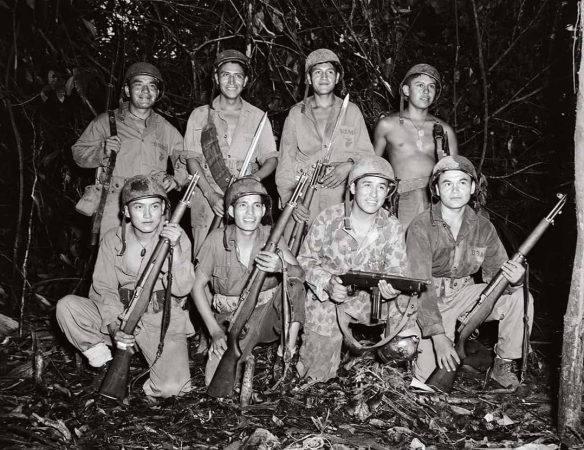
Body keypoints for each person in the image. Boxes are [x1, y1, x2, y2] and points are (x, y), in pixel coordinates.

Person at [56, 175, 195, 398]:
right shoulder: (113, 239)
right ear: (127, 212)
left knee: (173, 389)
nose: (148, 215)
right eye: (139, 207)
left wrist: (176, 250)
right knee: (67, 307)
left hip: (160, 317)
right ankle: (106, 364)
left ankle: (149, 372)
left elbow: (182, 289)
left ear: (163, 210)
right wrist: (114, 328)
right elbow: (104, 288)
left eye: (154, 206)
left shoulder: (177, 237)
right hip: (122, 313)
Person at [406, 156, 533, 390]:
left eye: (462, 183)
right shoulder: (420, 226)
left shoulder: (483, 226)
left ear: (473, 188)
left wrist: (516, 281)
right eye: (447, 183)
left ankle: (502, 365)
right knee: (424, 384)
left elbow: (499, 275)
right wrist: (438, 337)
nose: (455, 190)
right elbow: (420, 286)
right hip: (428, 302)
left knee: (519, 298)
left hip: (465, 295)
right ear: (435, 189)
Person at [296, 155, 417, 382]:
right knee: (315, 379)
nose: (373, 194)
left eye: (381, 187)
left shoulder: (391, 226)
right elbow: (304, 261)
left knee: (406, 308)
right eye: (367, 185)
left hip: (371, 303)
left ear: (388, 192)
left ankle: (393, 371)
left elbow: (398, 271)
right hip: (331, 303)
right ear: (352, 187)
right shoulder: (328, 218)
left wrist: (393, 290)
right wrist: (327, 283)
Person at [192, 178, 305, 385]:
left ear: (263, 211)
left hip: (269, 314)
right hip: (232, 317)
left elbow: (300, 273)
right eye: (243, 206)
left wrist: (282, 268)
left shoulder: (272, 237)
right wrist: (215, 331)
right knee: (215, 383)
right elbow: (197, 287)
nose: (250, 213)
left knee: (294, 283)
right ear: (232, 212)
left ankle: (287, 350)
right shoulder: (216, 240)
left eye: (256, 206)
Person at [72, 62, 187, 235]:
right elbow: (78, 153)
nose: (145, 92)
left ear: (158, 93)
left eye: (152, 86)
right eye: (138, 85)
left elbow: (187, 158)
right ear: (127, 90)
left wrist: (177, 180)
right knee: (112, 256)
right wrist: (102, 151)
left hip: (153, 205)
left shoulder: (166, 128)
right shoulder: (106, 122)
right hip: (115, 205)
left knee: (151, 260)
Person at [184, 49, 278, 256]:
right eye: (226, 75)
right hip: (208, 194)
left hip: (246, 198)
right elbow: (192, 160)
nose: (232, 81)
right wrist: (210, 195)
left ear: (245, 81)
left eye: (238, 76)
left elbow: (271, 159)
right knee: (203, 257)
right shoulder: (200, 115)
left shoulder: (258, 117)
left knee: (242, 256)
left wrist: (253, 179)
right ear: (217, 79)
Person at [276, 48, 374, 234]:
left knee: (337, 250)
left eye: (330, 72)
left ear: (337, 78)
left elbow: (368, 155)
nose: (324, 77)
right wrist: (291, 199)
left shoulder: (351, 111)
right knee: (295, 250)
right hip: (303, 195)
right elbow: (285, 161)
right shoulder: (297, 113)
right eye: (317, 72)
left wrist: (349, 165)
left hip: (339, 194)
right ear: (308, 78)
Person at [374, 63, 458, 230]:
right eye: (420, 85)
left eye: (431, 87)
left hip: (435, 200)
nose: (426, 91)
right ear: (406, 90)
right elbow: (372, 168)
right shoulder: (387, 125)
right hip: (402, 200)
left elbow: (456, 173)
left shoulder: (444, 129)